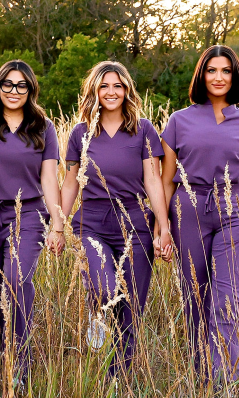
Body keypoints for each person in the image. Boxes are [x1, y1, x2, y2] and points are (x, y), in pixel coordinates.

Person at [161, 45, 239, 384]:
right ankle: (202, 379)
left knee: (227, 300)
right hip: (189, 209)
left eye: (226, 71)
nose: (219, 77)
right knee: (195, 297)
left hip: (236, 211)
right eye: (211, 70)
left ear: (235, 76)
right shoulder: (179, 121)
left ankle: (225, 385)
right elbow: (166, 179)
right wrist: (163, 227)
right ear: (201, 76)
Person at [59, 61, 171, 376]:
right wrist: (57, 227)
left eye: (118, 86)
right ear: (94, 91)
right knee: (106, 289)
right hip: (92, 222)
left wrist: (163, 228)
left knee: (132, 307)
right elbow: (70, 183)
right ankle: (97, 310)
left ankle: (117, 380)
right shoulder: (80, 133)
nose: (111, 92)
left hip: (135, 222)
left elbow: (153, 181)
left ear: (127, 91)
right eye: (104, 86)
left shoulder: (144, 129)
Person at [0, 60, 64, 385]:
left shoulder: (43, 126)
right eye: (8, 84)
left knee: (17, 281)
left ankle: (19, 366)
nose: (14, 91)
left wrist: (57, 225)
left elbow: (49, 179)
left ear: (31, 89)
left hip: (28, 214)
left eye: (21, 85)